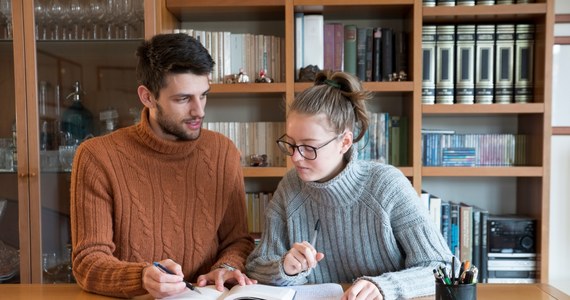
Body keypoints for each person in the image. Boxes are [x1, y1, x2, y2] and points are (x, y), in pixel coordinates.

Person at [70, 33, 256, 299]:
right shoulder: (97, 157)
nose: (199, 111)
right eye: (183, 99)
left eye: (203, 95)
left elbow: (238, 241)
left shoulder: (223, 152)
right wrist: (142, 277)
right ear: (147, 97)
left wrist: (227, 267)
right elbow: (88, 261)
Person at [245, 71, 454, 300]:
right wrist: (284, 267)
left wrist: (384, 286)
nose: (295, 157)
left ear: (344, 142)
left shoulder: (387, 186)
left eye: (309, 147)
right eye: (291, 144)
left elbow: (442, 268)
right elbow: (256, 267)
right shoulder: (290, 187)